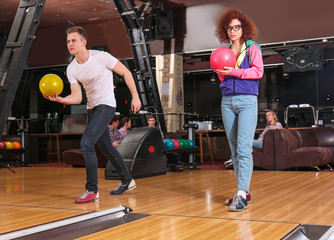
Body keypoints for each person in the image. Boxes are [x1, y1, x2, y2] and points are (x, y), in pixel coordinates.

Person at [44, 26, 141, 203]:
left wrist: (135, 96)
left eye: (73, 40)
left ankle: (91, 190)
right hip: (93, 108)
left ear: (83, 42)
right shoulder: (72, 68)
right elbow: (77, 97)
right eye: (68, 41)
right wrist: (61, 99)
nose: (70, 44)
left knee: (87, 143)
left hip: (107, 105)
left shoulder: (101, 57)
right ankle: (127, 180)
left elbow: (126, 72)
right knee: (106, 148)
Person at [214, 8, 264, 211]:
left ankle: (241, 194)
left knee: (244, 148)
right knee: (234, 150)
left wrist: (234, 71)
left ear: (244, 28)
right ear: (225, 30)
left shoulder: (252, 48)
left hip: (247, 101)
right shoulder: (224, 51)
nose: (233, 31)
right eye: (229, 28)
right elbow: (223, 78)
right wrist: (220, 73)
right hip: (227, 101)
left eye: (237, 27)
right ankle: (243, 190)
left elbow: (258, 71)